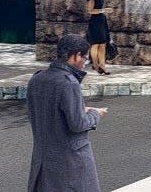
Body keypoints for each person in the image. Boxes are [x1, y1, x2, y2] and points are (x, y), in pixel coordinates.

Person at [26, 34, 107, 192]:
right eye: (85, 58)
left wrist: (79, 109)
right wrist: (96, 114)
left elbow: (41, 111)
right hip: (71, 162)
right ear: (76, 56)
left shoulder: (36, 79)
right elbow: (78, 124)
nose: (85, 63)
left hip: (43, 161)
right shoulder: (69, 83)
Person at [86, 0, 111, 75]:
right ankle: (95, 65)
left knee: (103, 44)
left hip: (101, 20)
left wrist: (104, 12)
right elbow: (90, 11)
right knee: (95, 44)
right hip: (95, 21)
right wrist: (104, 10)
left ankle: (103, 65)